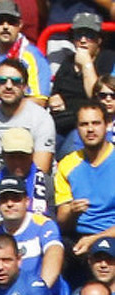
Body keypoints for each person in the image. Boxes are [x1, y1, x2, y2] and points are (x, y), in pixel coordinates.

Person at [0, 58, 56, 176]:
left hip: (32, 184)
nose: (8, 86)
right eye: (2, 81)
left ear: (25, 87)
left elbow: (40, 172)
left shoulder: (41, 118)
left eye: (16, 81)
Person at [0, 176, 64, 289]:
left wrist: (39, 291)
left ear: (27, 201)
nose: (10, 204)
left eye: (16, 198)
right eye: (4, 199)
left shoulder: (44, 225)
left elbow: (54, 254)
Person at [55, 101, 115, 263]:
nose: (90, 129)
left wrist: (96, 239)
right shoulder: (67, 164)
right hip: (78, 237)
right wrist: (72, 211)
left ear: (105, 125)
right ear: (77, 128)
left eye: (96, 123)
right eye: (84, 124)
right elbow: (62, 221)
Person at [49, 11, 115, 147]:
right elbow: (55, 92)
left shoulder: (107, 58)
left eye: (89, 36)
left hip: (88, 124)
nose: (83, 40)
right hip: (61, 122)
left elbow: (97, 96)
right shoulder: (67, 62)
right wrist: (54, 98)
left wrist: (86, 64)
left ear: (99, 40)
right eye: (78, 35)